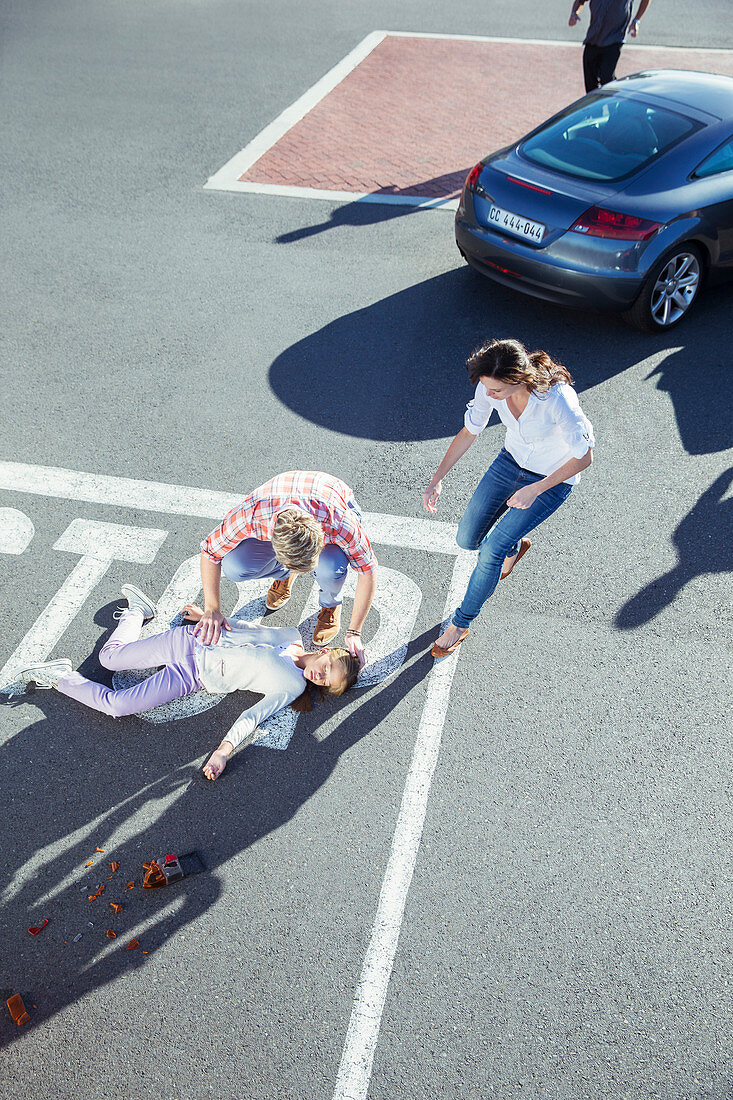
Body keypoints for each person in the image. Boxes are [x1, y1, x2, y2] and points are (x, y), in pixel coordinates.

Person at [20, 584, 360, 780]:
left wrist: (223, 752)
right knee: (109, 659)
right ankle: (138, 610)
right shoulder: (289, 636)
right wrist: (207, 616)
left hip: (192, 676)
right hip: (191, 641)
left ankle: (61, 676)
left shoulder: (293, 686)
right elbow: (247, 630)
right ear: (326, 652)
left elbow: (253, 717)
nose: (322, 677)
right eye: (329, 668)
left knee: (119, 706)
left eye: (329, 683)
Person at [423, 339, 595, 657]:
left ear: (517, 380)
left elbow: (584, 457)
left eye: (496, 392)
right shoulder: (491, 383)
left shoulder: (557, 398)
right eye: (486, 389)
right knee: (466, 538)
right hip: (509, 464)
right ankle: (514, 545)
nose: (489, 396)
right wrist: (438, 477)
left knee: (491, 550)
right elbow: (470, 431)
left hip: (551, 481)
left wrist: (535, 489)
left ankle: (460, 624)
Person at [195, 471, 377, 668]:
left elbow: (368, 570)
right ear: (273, 542)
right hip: (276, 502)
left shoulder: (339, 521)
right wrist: (212, 609)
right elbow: (209, 553)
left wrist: (355, 632)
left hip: (330, 496)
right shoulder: (251, 516)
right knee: (234, 566)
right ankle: (285, 574)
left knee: (330, 566)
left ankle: (331, 604)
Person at [569, 0, 652, 93]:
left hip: (614, 39)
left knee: (607, 78)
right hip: (593, 38)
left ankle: (618, 100)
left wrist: (636, 20)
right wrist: (574, 13)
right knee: (590, 83)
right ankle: (598, 106)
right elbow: (580, 1)